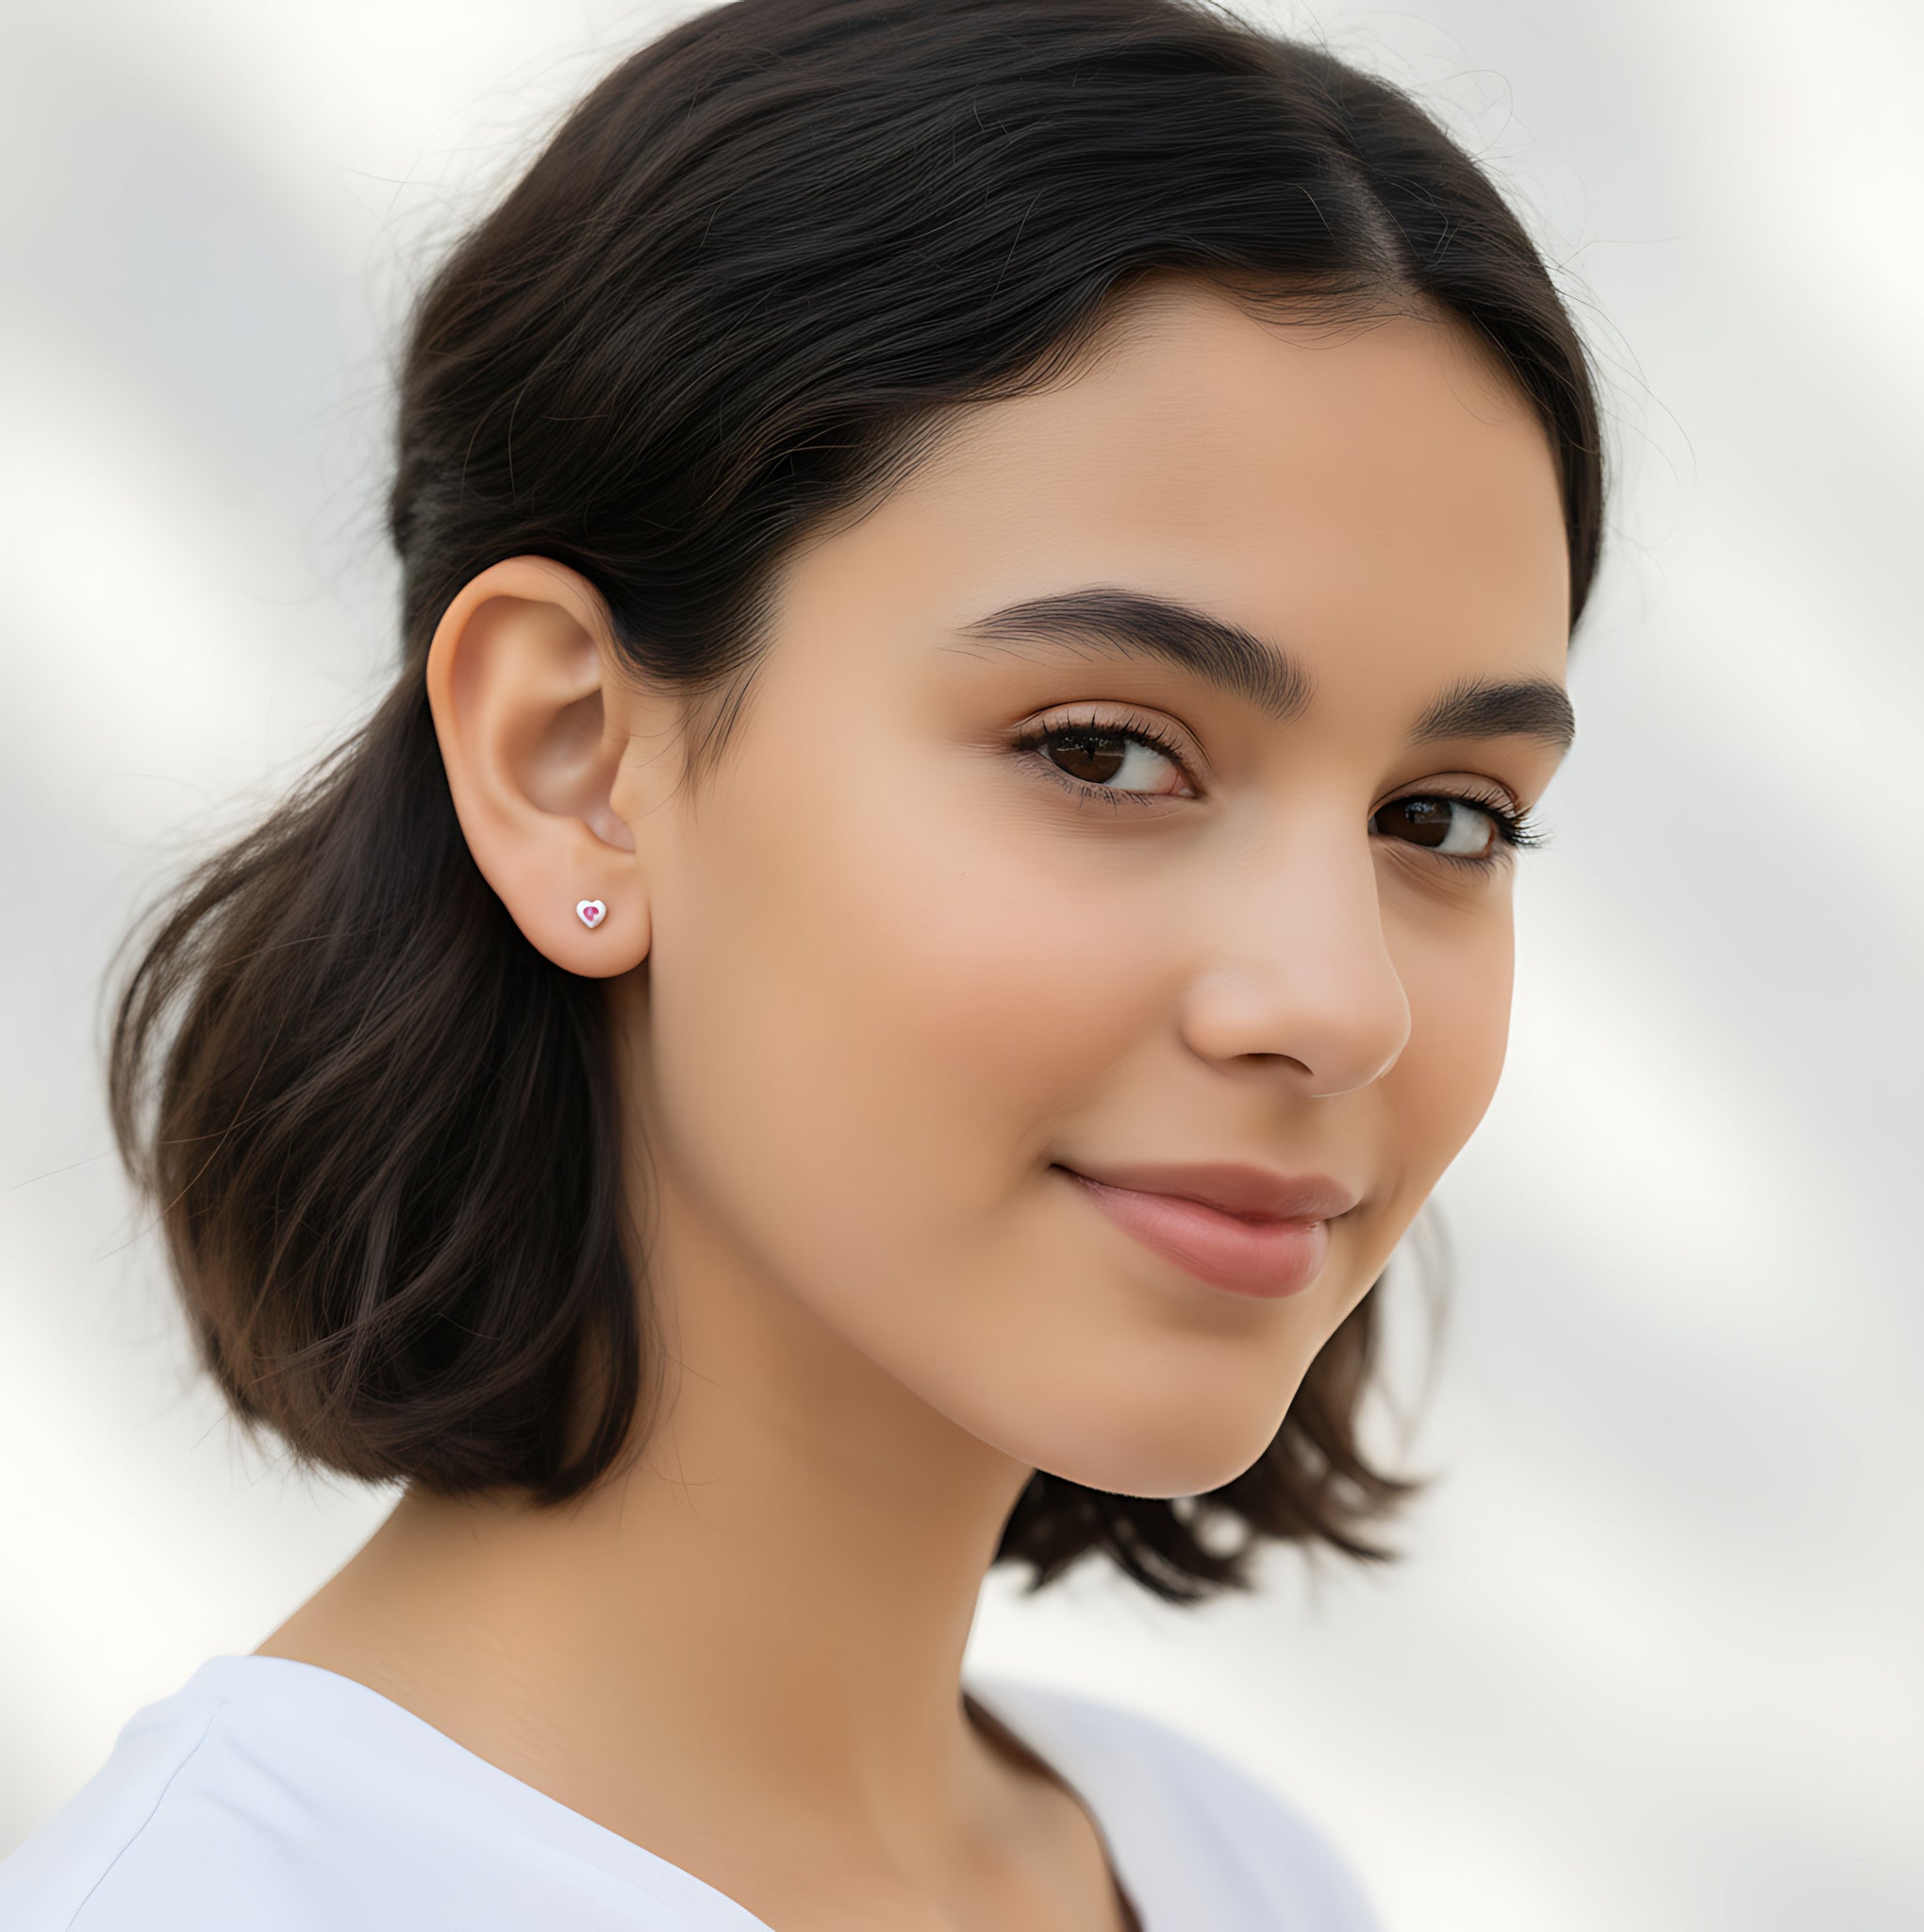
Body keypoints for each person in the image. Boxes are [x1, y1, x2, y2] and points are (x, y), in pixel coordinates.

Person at [0, 0, 1604, 1925]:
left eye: (1444, 820)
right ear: (571, 758)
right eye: (1103, 751)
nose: (1340, 1003)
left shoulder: (1240, 1873)